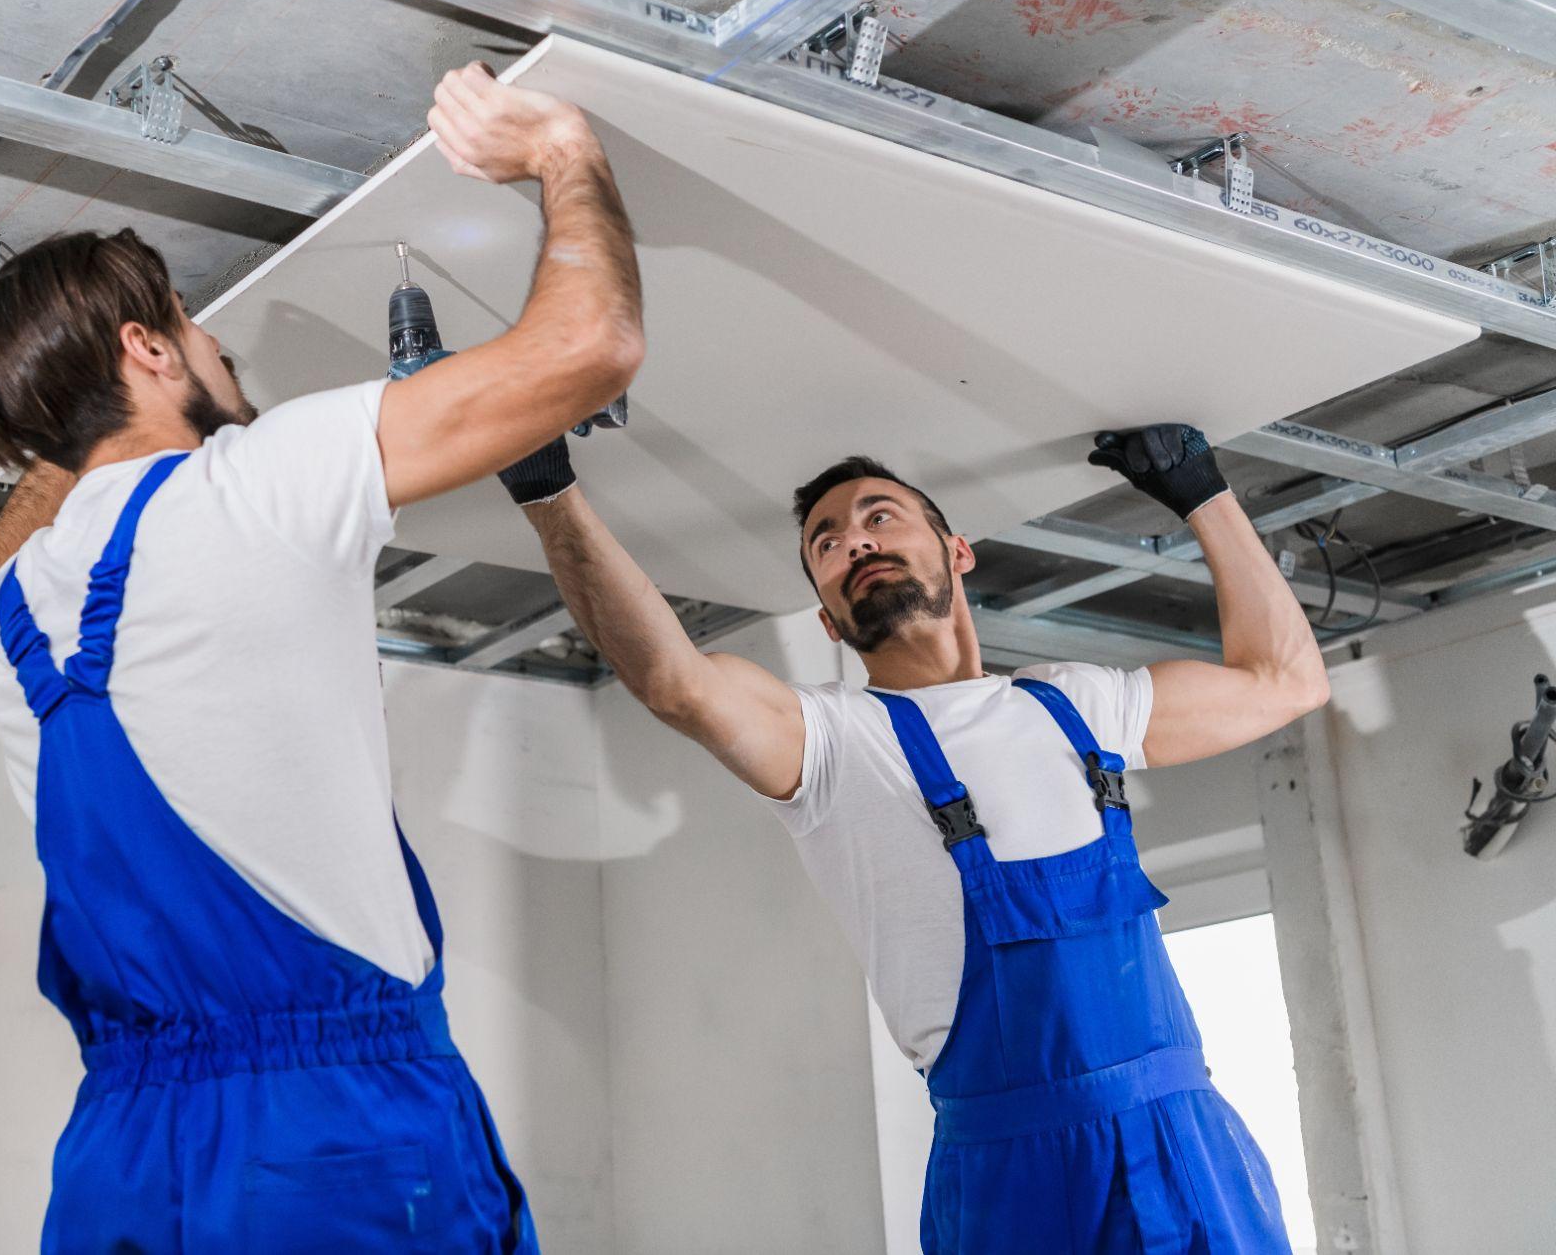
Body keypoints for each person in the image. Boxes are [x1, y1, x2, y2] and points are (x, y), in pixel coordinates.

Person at [0, 62, 642, 1252]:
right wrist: (564, 151)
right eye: (190, 329)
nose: (219, 347)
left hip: (120, 1156)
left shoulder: (8, 623)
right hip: (329, 1134)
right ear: (147, 353)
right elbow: (593, 347)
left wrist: (57, 414)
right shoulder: (258, 479)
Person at [510, 423, 1323, 1252]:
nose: (853, 541)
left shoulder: (1079, 706)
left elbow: (1287, 680)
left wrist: (1204, 495)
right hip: (1015, 1175)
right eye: (825, 544)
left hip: (1186, 1143)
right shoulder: (833, 743)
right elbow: (673, 682)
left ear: (957, 551)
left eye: (879, 516)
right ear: (828, 620)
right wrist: (548, 489)